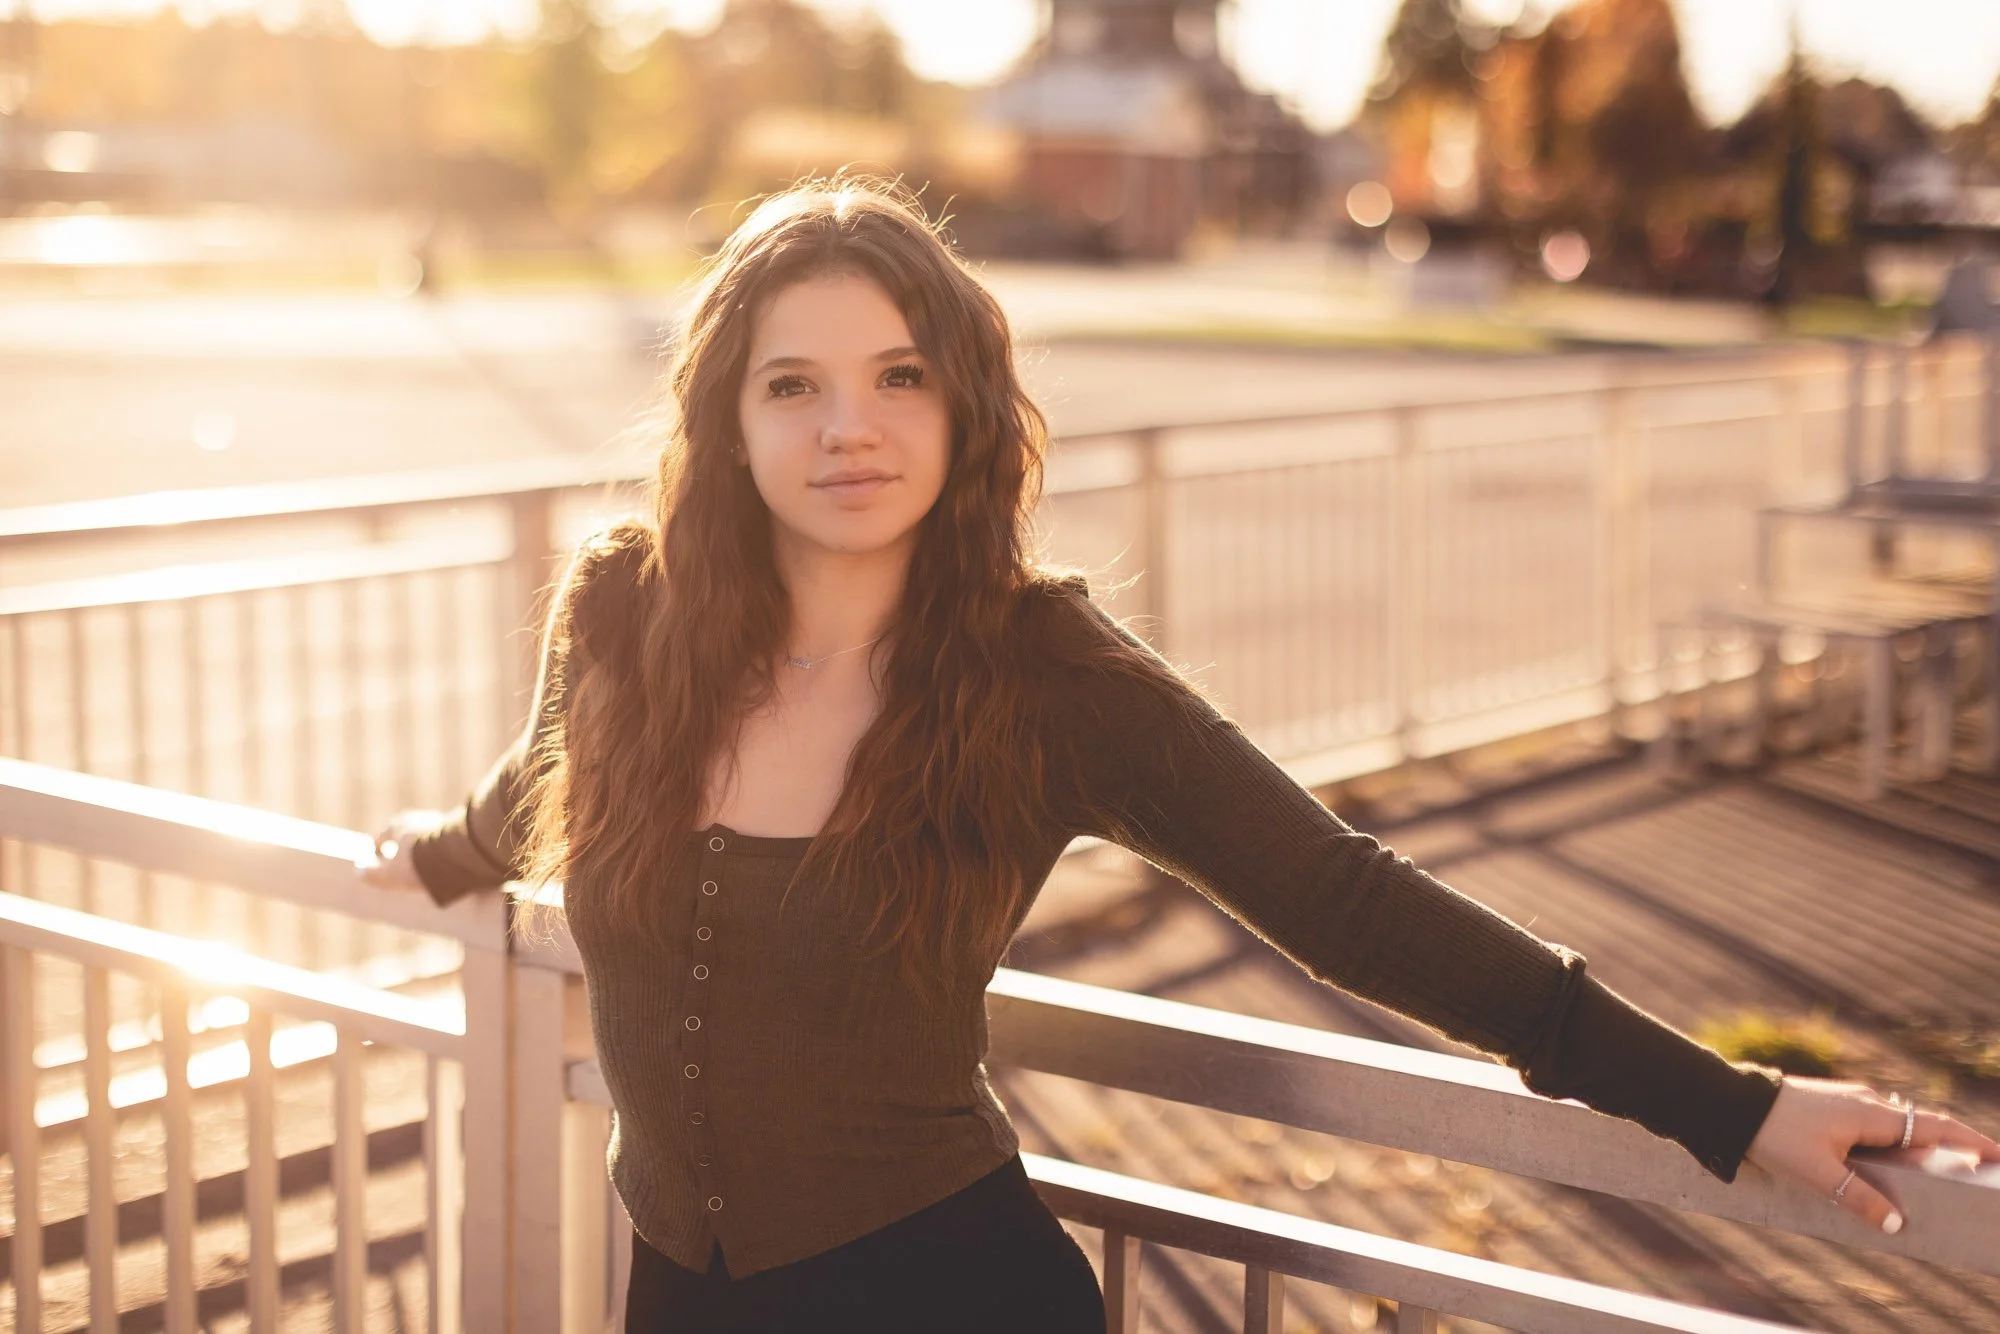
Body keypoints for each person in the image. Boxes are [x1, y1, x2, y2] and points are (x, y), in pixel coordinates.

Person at [359, 176, 1999, 1333]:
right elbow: (542, 792)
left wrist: (1732, 1105)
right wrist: (434, 854)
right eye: (791, 384)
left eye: (896, 378)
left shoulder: (1047, 675)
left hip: (948, 1293)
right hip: (675, 1299)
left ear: (963, 409)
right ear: (724, 418)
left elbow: (1349, 903)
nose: (845, 426)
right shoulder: (627, 616)